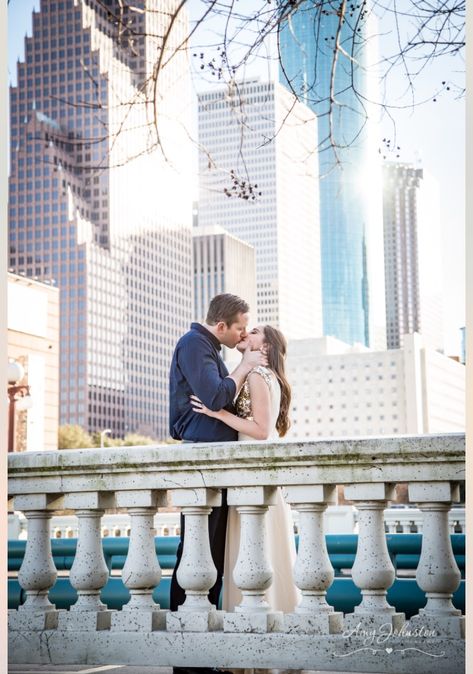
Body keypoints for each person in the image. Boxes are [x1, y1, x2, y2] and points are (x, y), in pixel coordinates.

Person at [169, 294, 267, 674]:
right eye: (241, 326)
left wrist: (238, 364)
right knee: (195, 553)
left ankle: (201, 649)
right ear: (222, 325)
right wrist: (243, 366)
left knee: (211, 556)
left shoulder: (211, 349)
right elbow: (214, 396)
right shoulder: (195, 344)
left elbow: (219, 399)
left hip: (216, 463)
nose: (243, 332)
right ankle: (186, 655)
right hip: (201, 461)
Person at [191, 325, 299, 615]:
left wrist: (217, 412)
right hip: (251, 474)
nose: (244, 335)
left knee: (253, 551)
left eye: (252, 332)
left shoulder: (257, 375)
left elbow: (261, 430)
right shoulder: (262, 374)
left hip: (253, 476)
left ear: (265, 347)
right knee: (258, 552)